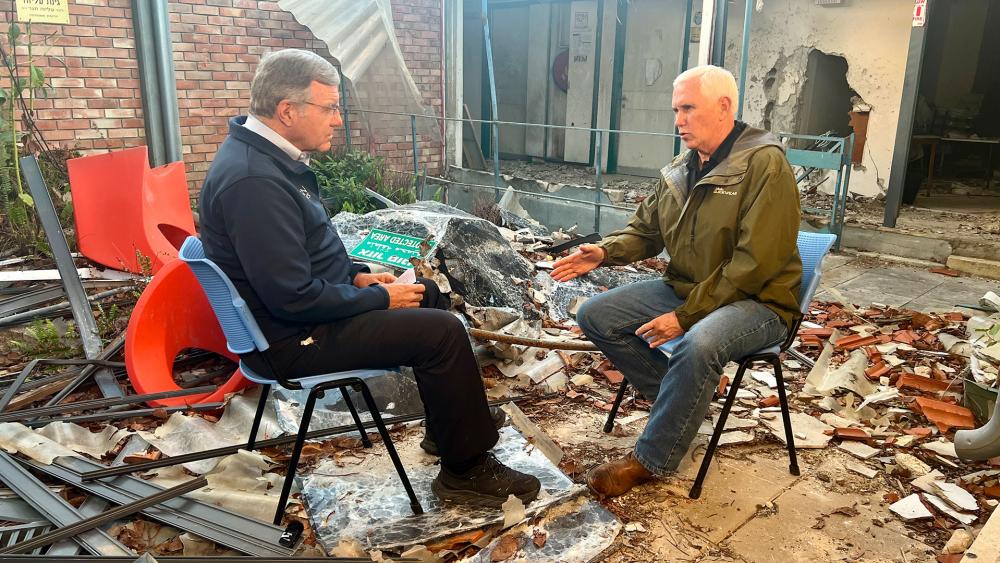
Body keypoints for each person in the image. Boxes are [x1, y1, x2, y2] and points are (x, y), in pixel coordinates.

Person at [197, 48, 540, 507]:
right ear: (287, 111)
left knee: (430, 296)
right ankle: (466, 470)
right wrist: (380, 301)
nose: (337, 120)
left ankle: (450, 432)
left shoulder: (266, 160)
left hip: (303, 319)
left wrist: (356, 278)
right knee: (439, 332)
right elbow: (292, 298)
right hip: (292, 340)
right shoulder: (253, 181)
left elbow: (298, 263)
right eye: (330, 108)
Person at [552, 65, 802, 498]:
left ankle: (651, 459)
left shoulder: (765, 164)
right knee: (596, 314)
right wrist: (606, 251)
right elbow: (647, 230)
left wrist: (685, 317)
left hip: (760, 302)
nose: (678, 120)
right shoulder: (681, 168)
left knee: (699, 343)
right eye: (676, 110)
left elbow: (754, 263)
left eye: (688, 108)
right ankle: (683, 406)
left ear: (724, 107)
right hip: (689, 287)